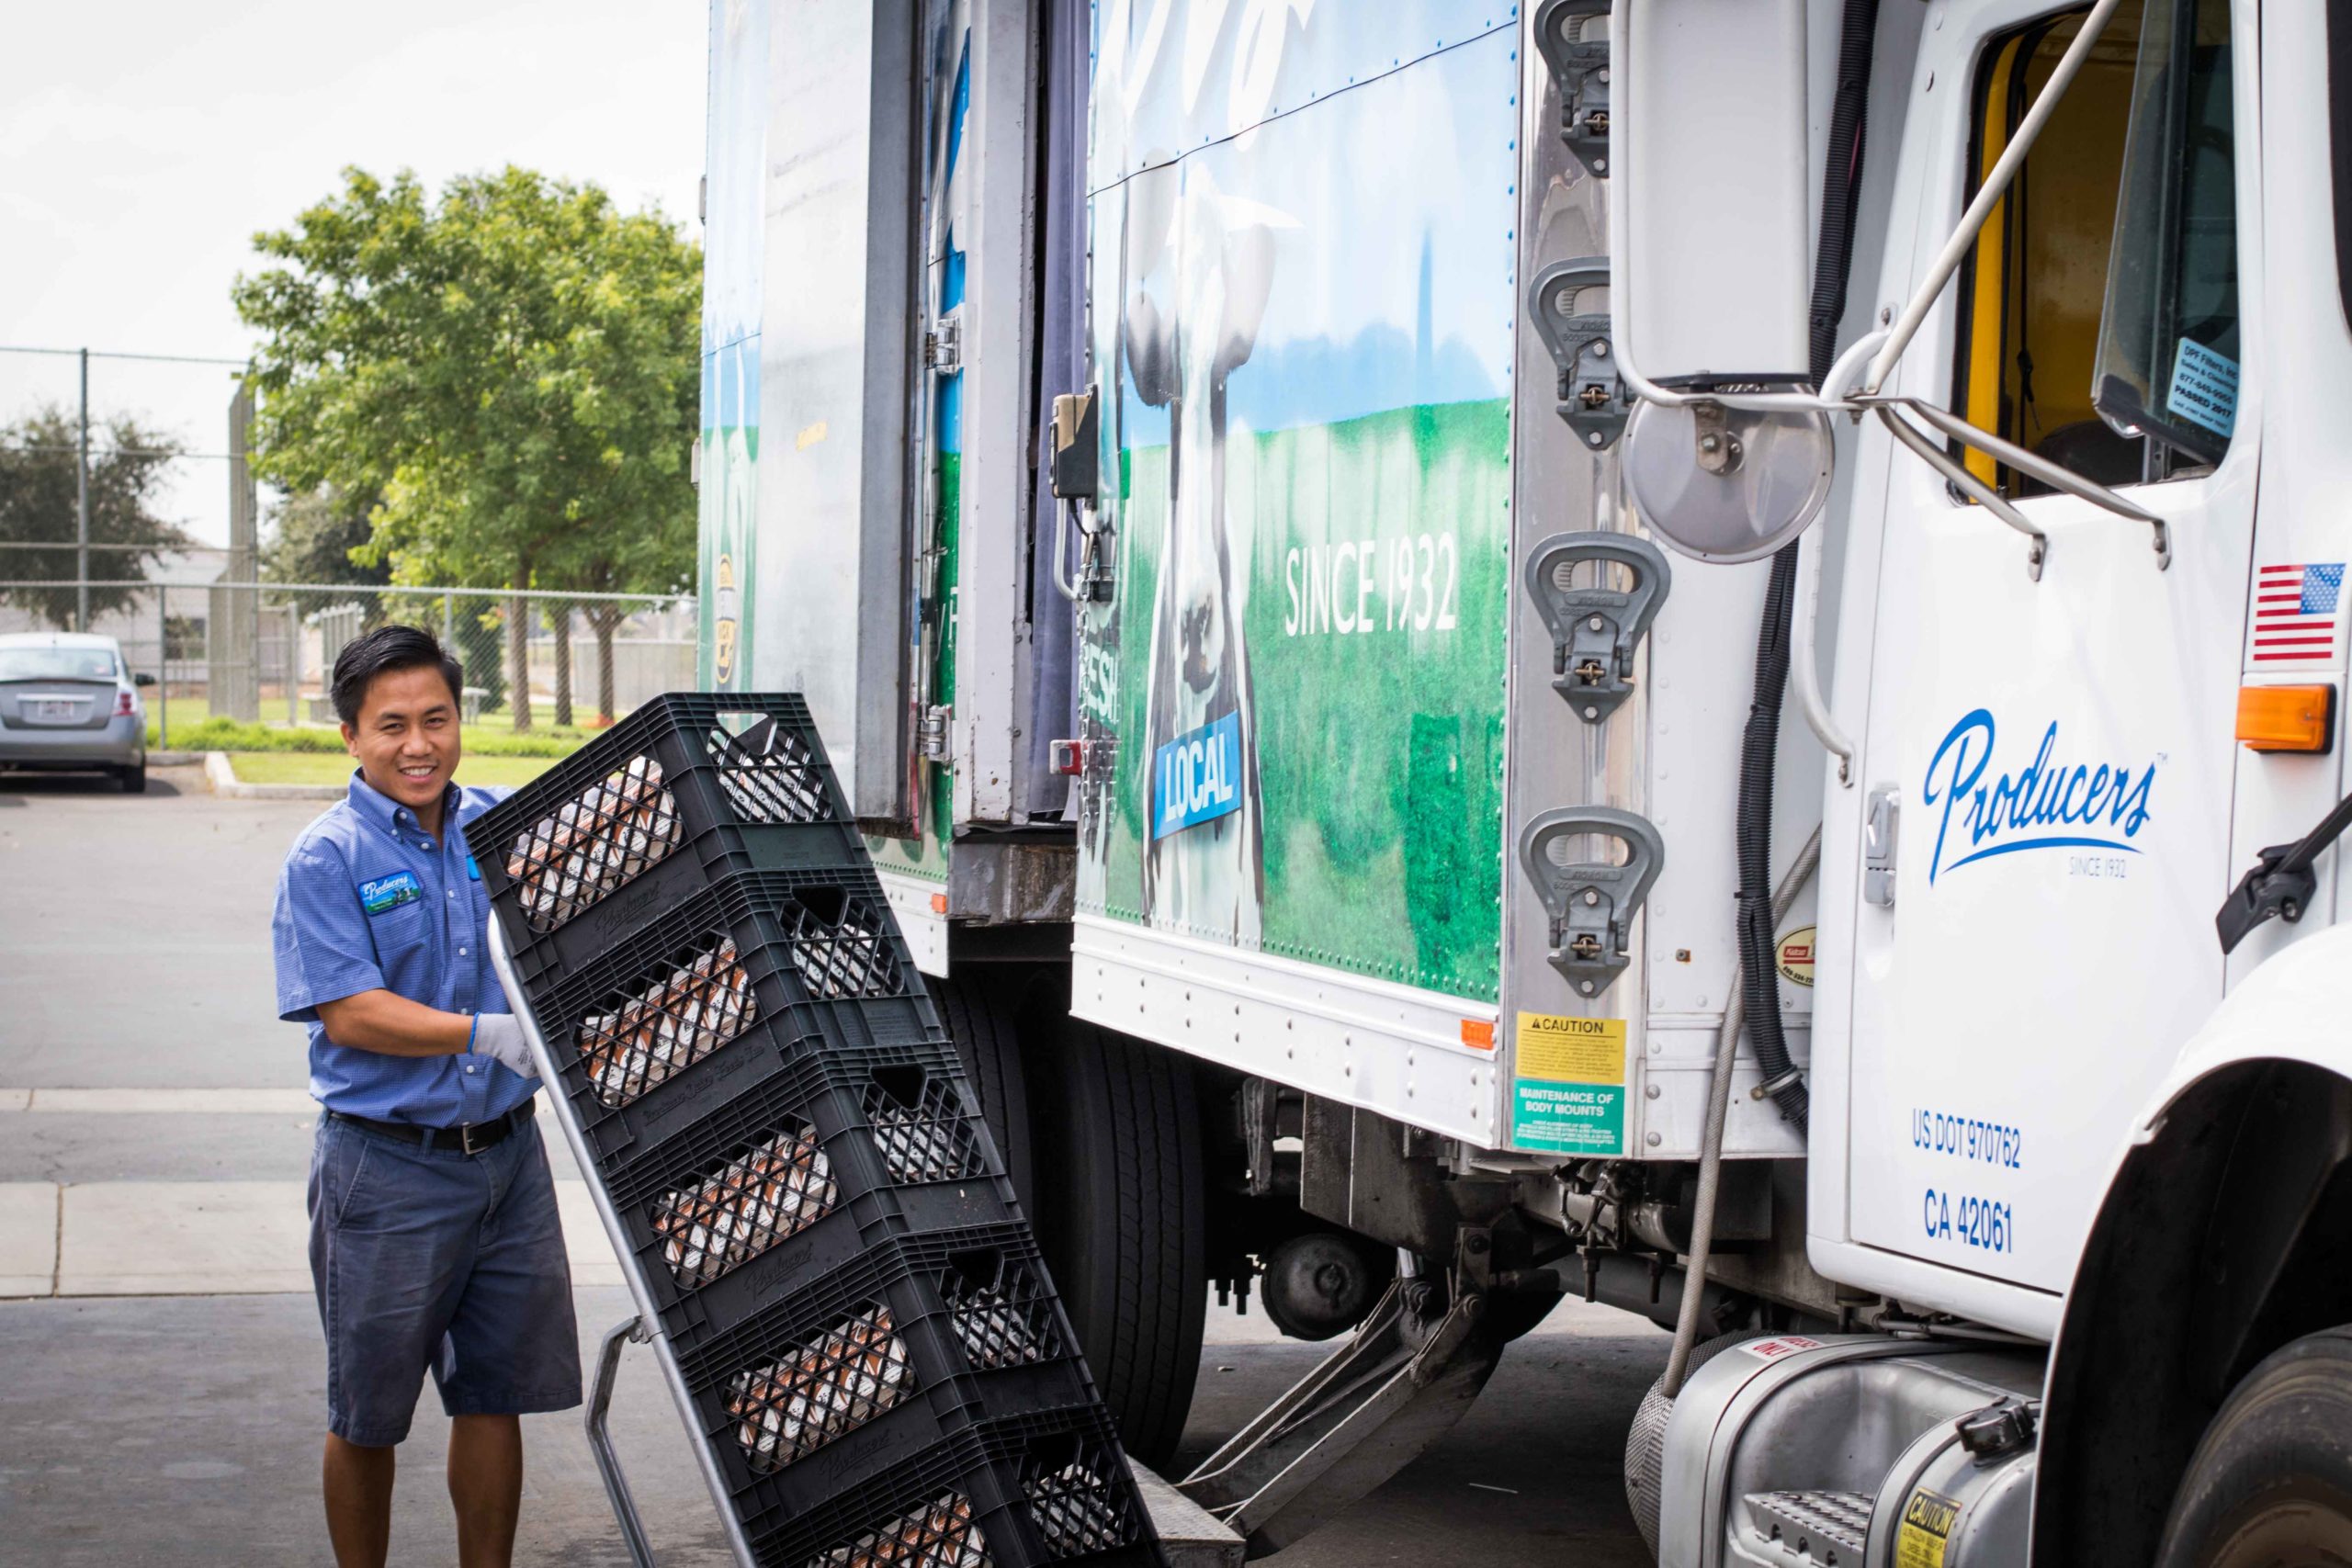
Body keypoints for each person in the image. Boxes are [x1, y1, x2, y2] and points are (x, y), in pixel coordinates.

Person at [272, 625, 580, 1568]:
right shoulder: (328, 858)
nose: (419, 745)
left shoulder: (500, 828)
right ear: (350, 738)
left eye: (436, 719)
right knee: (368, 1412)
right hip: (386, 1170)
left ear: (459, 720)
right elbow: (352, 1012)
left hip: (507, 1161)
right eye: (392, 725)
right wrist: (483, 1032)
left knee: (495, 1395)